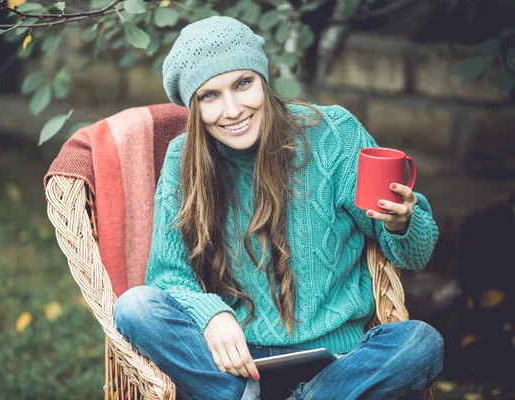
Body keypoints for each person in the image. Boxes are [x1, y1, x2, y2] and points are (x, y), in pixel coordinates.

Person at [114, 16, 443, 400]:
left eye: (242, 84)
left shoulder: (333, 134)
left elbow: (415, 255)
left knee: (420, 342)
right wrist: (211, 316)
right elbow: (168, 277)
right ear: (194, 106)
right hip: (235, 365)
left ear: (263, 79)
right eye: (210, 96)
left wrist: (402, 223)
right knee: (135, 307)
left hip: (339, 362)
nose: (233, 109)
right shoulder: (182, 160)